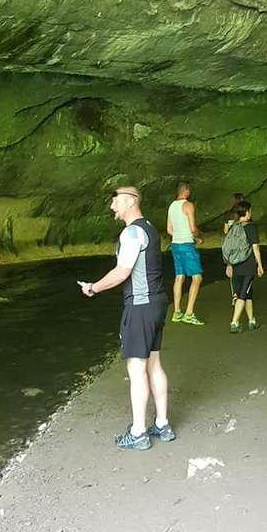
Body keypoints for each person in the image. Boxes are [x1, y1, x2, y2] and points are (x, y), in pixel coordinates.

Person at [80, 186, 174, 451]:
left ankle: (139, 432)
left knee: (136, 368)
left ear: (131, 202)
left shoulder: (131, 232)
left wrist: (93, 288)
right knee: (154, 364)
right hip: (156, 302)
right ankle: (162, 425)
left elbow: (122, 272)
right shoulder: (149, 228)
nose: (113, 207)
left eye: (116, 202)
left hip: (140, 306)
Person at [167, 181, 204, 326]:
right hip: (187, 245)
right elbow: (193, 228)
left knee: (179, 276)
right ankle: (189, 313)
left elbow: (169, 230)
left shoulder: (171, 206)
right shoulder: (188, 205)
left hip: (175, 245)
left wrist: (179, 235)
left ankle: (177, 312)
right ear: (186, 191)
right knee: (197, 278)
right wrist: (197, 238)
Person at [223, 200, 264, 332]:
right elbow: (255, 247)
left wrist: (229, 264)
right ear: (247, 213)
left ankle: (252, 320)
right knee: (242, 293)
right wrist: (260, 265)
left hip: (235, 264)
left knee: (247, 293)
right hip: (247, 265)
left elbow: (228, 248)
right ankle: (234, 322)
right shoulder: (250, 227)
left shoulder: (232, 227)